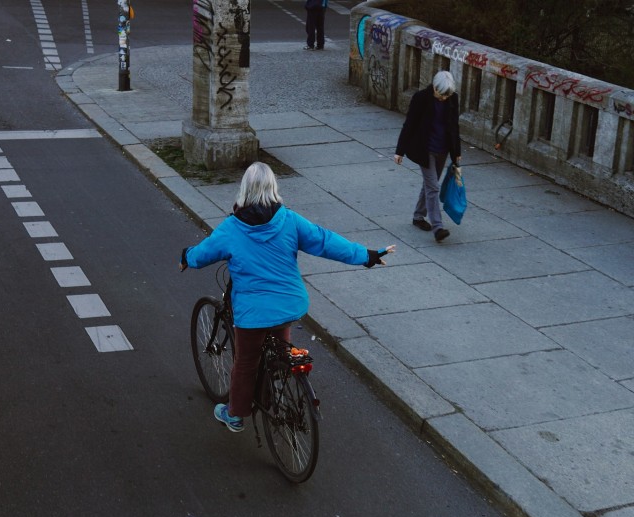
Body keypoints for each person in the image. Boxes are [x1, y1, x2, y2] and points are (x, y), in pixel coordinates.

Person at [180, 162, 395, 433]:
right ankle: (277, 385)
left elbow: (202, 254)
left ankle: (234, 415)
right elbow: (326, 241)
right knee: (281, 350)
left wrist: (186, 257)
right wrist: (367, 256)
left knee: (246, 362)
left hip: (253, 313)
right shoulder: (289, 220)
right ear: (273, 188)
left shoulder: (231, 229)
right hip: (290, 305)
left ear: (244, 189)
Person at [394, 70, 462, 242]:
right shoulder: (421, 98)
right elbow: (409, 124)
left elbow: (454, 127)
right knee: (433, 187)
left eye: (447, 95)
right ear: (434, 87)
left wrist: (457, 153)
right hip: (424, 149)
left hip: (443, 149)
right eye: (441, 95)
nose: (443, 99)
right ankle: (438, 227)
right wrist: (399, 150)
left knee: (430, 184)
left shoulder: (452, 98)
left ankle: (418, 216)